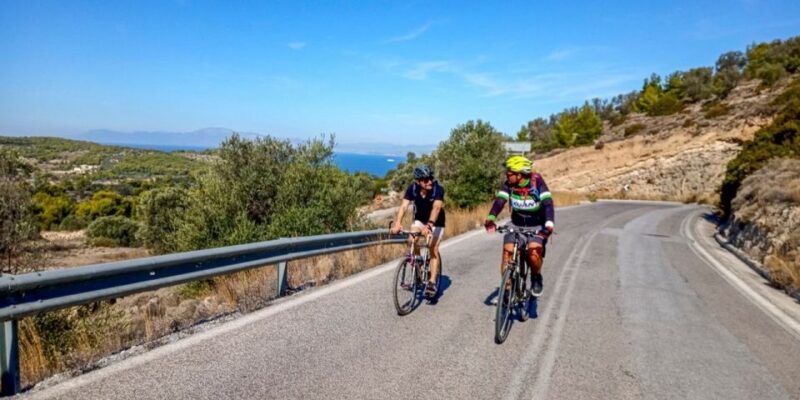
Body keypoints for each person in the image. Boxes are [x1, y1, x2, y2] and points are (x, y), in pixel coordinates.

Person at [484, 155, 554, 297]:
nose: (507, 176)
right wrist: (491, 218)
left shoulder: (537, 181)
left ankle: (536, 276)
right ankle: (507, 288)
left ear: (520, 174)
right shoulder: (509, 184)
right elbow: (500, 201)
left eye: (509, 174)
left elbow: (547, 203)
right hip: (516, 225)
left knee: (534, 254)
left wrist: (549, 224)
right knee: (507, 253)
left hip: (536, 226)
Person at [391, 164, 445, 298]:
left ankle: (432, 282)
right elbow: (403, 207)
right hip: (420, 220)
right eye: (426, 180)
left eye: (430, 178)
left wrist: (430, 225)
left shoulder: (438, 189)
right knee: (412, 239)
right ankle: (418, 263)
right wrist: (398, 223)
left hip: (436, 222)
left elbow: (437, 208)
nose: (430, 182)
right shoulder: (413, 189)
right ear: (418, 181)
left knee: (433, 248)